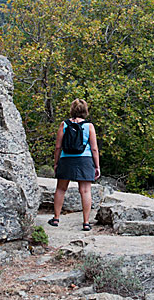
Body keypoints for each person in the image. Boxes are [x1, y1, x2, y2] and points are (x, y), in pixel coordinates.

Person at [48, 99, 100, 231]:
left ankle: (56, 218)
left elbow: (58, 146)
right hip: (85, 160)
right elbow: (94, 148)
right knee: (85, 191)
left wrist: (56, 163)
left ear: (72, 110)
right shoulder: (89, 126)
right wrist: (97, 166)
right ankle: (86, 222)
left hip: (66, 159)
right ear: (85, 111)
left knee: (61, 189)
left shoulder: (64, 125)